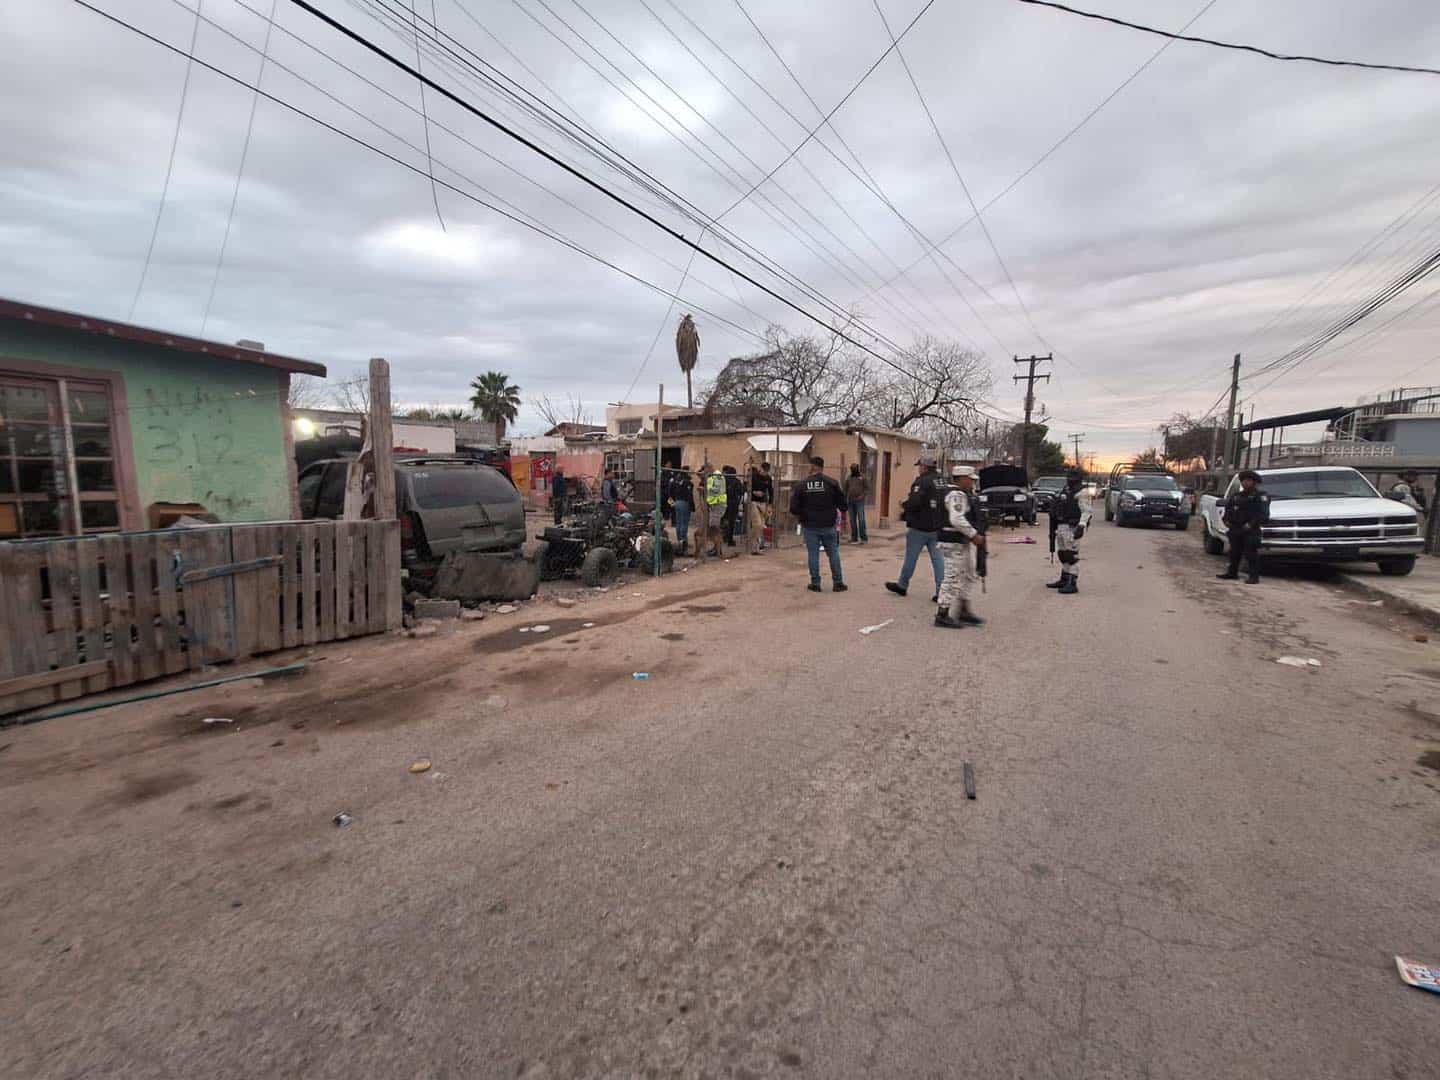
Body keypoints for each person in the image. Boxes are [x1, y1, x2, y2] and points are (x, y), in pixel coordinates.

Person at [885, 454, 947, 602]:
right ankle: (942, 591)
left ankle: (902, 585)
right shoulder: (942, 481)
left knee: (910, 558)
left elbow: (915, 502)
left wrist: (904, 506)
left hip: (920, 526)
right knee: (938, 560)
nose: (919, 468)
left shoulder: (922, 481)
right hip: (937, 526)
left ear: (925, 467)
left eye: (920, 466)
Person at [936, 465, 985, 628]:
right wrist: (973, 534)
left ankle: (963, 609)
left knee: (970, 573)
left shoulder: (962, 494)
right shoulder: (956, 495)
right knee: (952, 577)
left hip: (960, 541)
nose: (972, 483)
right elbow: (956, 519)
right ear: (962, 478)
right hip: (952, 542)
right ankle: (942, 614)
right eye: (970, 480)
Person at [789, 456, 847, 592]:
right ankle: (838, 583)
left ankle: (815, 583)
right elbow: (843, 505)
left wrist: (802, 514)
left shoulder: (802, 485)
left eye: (810, 465)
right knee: (833, 553)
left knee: (813, 554)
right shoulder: (832, 483)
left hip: (809, 525)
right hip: (828, 524)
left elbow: (793, 508)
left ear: (813, 466)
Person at [1217, 469, 1269, 584]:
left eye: (1249, 481)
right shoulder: (1236, 496)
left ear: (1254, 482)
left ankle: (1253, 576)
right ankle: (1232, 573)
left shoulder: (1260, 496)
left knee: (1251, 553)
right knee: (1234, 552)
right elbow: (1228, 509)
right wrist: (1226, 520)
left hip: (1251, 530)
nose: (1245, 483)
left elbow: (1263, 514)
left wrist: (1250, 524)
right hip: (1235, 528)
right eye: (1244, 481)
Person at [1046, 470, 1086, 595]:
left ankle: (1072, 583)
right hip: (1062, 525)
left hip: (1073, 526)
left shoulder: (1082, 492)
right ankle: (1064, 579)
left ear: (1078, 479)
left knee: (1071, 555)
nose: (1070, 479)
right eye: (1068, 477)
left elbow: (1087, 511)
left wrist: (1081, 526)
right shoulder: (1066, 490)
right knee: (1063, 553)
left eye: (1072, 477)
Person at [702, 464, 728, 557]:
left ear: (709, 468)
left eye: (705, 470)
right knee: (714, 528)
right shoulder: (712, 476)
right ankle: (716, 549)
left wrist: (706, 488)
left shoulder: (717, 476)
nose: (704, 472)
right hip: (714, 505)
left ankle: (717, 550)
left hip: (718, 504)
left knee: (714, 528)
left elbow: (716, 489)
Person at [747, 462, 772, 554]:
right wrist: (753, 492)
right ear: (760, 469)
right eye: (762, 471)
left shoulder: (768, 478)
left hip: (763, 502)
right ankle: (754, 547)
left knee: (761, 525)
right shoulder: (753, 476)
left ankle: (756, 544)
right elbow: (746, 487)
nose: (763, 473)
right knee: (757, 523)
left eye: (766, 472)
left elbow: (770, 490)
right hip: (753, 501)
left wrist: (770, 505)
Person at [669, 466, 695, 555]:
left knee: (678, 523)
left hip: (676, 502)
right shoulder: (688, 483)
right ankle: (683, 543)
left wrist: (672, 504)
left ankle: (680, 541)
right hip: (684, 503)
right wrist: (692, 507)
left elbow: (669, 494)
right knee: (684, 524)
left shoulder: (674, 481)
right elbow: (689, 496)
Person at [845, 463, 870, 544]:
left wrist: (862, 496)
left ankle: (864, 538)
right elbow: (845, 488)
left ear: (857, 468)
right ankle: (854, 538)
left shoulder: (863, 477)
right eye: (852, 468)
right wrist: (845, 498)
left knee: (861, 519)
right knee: (852, 520)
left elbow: (867, 488)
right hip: (850, 501)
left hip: (859, 501)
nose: (853, 470)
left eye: (854, 468)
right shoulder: (848, 477)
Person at [722, 465, 744, 548]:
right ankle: (730, 540)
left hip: (724, 502)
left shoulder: (724, 480)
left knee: (724, 520)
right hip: (733, 504)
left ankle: (724, 537)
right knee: (731, 522)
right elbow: (741, 492)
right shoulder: (737, 481)